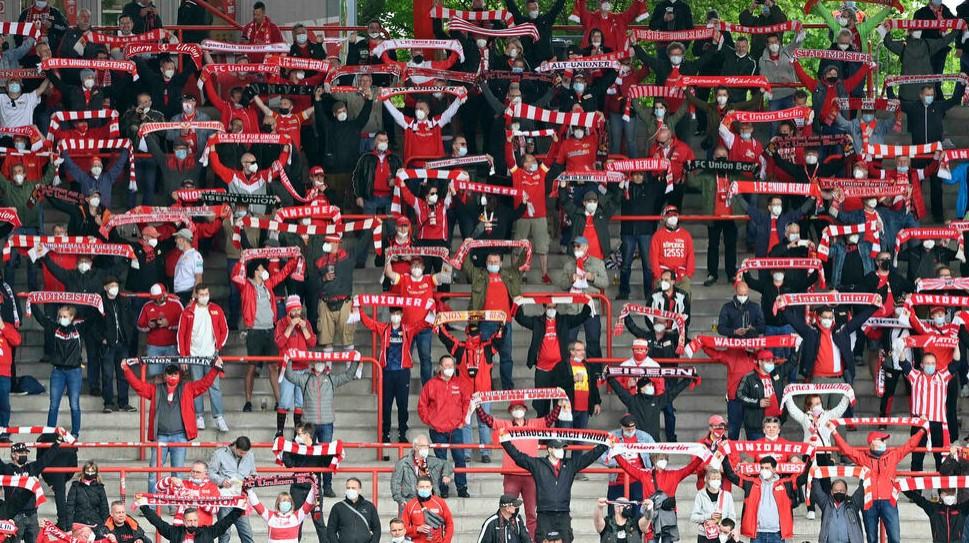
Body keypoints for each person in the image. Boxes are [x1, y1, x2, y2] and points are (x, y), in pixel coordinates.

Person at [123, 360, 222, 493]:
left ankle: (175, 507)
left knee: (178, 474)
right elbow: (138, 386)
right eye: (169, 373)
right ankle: (151, 507)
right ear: (164, 376)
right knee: (153, 472)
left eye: (175, 373)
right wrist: (126, 370)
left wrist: (215, 369)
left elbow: (205, 383)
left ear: (180, 375)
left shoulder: (188, 388)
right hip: (160, 437)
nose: (172, 376)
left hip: (180, 436)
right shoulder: (155, 389)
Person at [500, 431, 611, 543]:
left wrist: (605, 445)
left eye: (562, 448)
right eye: (558, 448)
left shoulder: (570, 465)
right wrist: (505, 442)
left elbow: (588, 457)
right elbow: (519, 457)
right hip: (544, 514)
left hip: (563, 513)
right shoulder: (538, 464)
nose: (561, 451)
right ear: (549, 449)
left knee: (566, 540)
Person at [477, 400, 561, 538]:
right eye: (515, 408)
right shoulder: (505, 425)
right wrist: (478, 406)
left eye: (520, 407)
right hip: (511, 475)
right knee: (506, 511)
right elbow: (488, 420)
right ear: (510, 411)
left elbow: (550, 418)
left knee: (531, 514)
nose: (518, 410)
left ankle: (532, 540)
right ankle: (506, 539)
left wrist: (559, 403)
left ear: (525, 410)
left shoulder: (534, 424)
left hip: (530, 476)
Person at [829, 425, 927, 543]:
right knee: (872, 539)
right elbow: (846, 449)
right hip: (869, 502)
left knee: (895, 539)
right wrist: (834, 431)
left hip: (889, 502)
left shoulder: (893, 456)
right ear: (871, 443)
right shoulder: (863, 458)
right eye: (881, 440)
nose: (884, 442)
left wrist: (922, 430)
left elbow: (910, 445)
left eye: (884, 440)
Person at [284, 352, 362, 497]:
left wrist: (355, 361)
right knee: (307, 456)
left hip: (327, 423)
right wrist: (288, 359)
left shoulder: (331, 379)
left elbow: (348, 376)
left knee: (327, 456)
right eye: (316, 361)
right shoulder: (305, 378)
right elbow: (289, 375)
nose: (319, 364)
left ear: (326, 364)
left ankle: (327, 486)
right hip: (309, 425)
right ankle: (308, 484)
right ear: (312, 363)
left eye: (322, 361)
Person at [33, 304, 97, 438]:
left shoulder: (79, 328)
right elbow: (40, 318)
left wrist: (97, 301)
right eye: (60, 316)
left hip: (74, 372)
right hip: (58, 372)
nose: (62, 319)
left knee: (74, 405)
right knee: (53, 405)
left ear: (72, 317)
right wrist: (32, 303)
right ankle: (50, 433)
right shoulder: (54, 328)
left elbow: (94, 317)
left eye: (65, 316)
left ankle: (75, 434)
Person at [721, 455, 811, 543]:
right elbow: (731, 475)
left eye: (767, 468)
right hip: (757, 534)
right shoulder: (750, 483)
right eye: (762, 468)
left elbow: (803, 477)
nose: (764, 470)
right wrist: (724, 455)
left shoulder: (786, 484)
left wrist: (810, 459)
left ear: (774, 470)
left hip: (777, 534)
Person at [177, 284, 229, 433]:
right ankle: (199, 416)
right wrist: (183, 357)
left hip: (211, 355)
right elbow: (181, 335)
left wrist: (218, 346)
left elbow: (224, 329)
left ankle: (219, 417)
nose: (205, 296)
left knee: (215, 386)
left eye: (206, 293)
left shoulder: (216, 310)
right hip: (194, 356)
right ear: (196, 295)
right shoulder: (187, 312)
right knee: (197, 387)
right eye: (201, 294)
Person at [417, 355, 470, 498]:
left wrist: (462, 421)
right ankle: (443, 489)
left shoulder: (460, 384)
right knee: (441, 461)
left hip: (456, 429)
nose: (449, 369)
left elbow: (467, 402)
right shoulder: (431, 384)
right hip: (437, 430)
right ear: (440, 367)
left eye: (451, 366)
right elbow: (422, 405)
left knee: (459, 458)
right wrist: (430, 421)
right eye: (446, 366)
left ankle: (462, 488)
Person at [1, 436, 62, 543]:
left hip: (32, 515)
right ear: (13, 455)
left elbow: (47, 458)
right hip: (15, 516)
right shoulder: (7, 469)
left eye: (25, 452)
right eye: (21, 452)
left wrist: (58, 442)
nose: (24, 455)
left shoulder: (32, 468)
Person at [273, 295, 316, 437]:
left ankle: (297, 433)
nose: (297, 312)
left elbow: (312, 343)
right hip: (288, 369)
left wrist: (304, 329)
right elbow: (279, 343)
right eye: (294, 310)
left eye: (299, 309)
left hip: (303, 368)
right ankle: (279, 432)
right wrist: (290, 326)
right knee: (284, 402)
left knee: (300, 403)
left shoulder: (306, 323)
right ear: (289, 311)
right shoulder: (281, 323)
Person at [208, 437, 255, 543]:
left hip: (241, 499)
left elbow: (253, 472)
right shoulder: (219, 454)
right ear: (235, 447)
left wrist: (252, 478)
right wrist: (221, 481)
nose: (243, 455)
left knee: (246, 532)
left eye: (245, 453)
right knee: (224, 533)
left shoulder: (250, 455)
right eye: (241, 452)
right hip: (225, 498)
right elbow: (210, 473)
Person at [391, 435, 454, 512]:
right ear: (415, 447)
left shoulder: (432, 461)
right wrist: (400, 500)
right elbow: (395, 482)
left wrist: (445, 475)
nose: (426, 448)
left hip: (431, 500)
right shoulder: (403, 463)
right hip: (410, 501)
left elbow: (447, 464)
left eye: (427, 446)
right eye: (423, 446)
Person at [138, 500, 243, 543]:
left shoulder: (208, 532)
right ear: (184, 521)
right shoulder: (174, 532)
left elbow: (225, 523)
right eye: (189, 521)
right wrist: (143, 506)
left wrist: (239, 509)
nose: (192, 523)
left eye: (194, 520)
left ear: (198, 521)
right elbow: (157, 522)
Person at [245, 481, 316, 543]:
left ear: (291, 504)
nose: (285, 503)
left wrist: (313, 488)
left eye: (288, 501)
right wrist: (249, 490)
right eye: (283, 501)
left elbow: (308, 504)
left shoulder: (297, 516)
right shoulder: (270, 516)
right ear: (278, 503)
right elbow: (257, 505)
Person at [812, 477, 866, 543]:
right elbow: (817, 491)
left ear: (846, 492)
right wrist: (815, 476)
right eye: (836, 490)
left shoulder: (853, 503)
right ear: (831, 492)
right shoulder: (826, 503)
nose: (839, 492)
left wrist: (864, 475)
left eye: (842, 490)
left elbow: (861, 490)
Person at [326, 477, 381, 543]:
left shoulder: (369, 506)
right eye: (348, 488)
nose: (350, 490)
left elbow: (377, 529)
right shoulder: (337, 507)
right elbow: (331, 530)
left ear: (360, 490)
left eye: (353, 488)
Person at [401, 476, 453, 543]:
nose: (424, 489)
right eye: (422, 487)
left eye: (427, 487)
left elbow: (449, 524)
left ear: (431, 487)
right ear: (417, 487)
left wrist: (446, 541)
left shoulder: (440, 502)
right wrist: (417, 529)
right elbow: (402, 528)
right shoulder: (410, 505)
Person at [691, 468, 737, 542]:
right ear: (707, 479)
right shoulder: (700, 495)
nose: (716, 481)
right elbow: (693, 517)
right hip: (704, 536)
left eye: (718, 479)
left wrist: (718, 522)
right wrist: (709, 516)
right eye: (713, 478)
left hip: (722, 535)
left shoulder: (727, 495)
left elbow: (732, 517)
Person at [65, 460, 108, 529]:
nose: (90, 474)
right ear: (83, 472)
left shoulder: (100, 487)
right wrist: (69, 527)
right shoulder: (75, 486)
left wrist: (106, 527)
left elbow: (104, 508)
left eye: (92, 472)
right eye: (88, 471)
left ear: (96, 473)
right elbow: (70, 507)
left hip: (96, 523)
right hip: (79, 523)